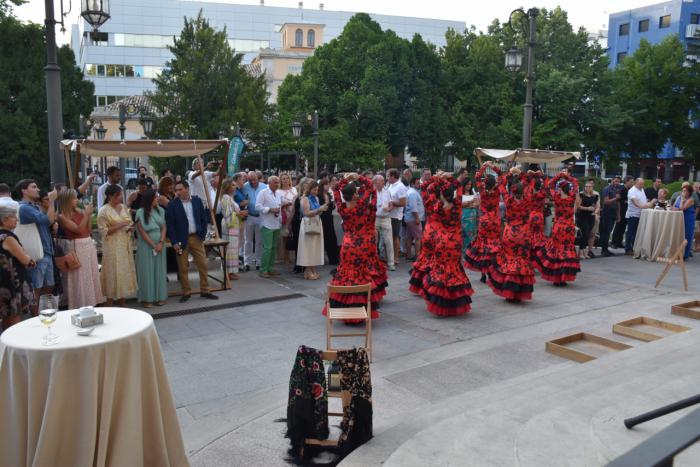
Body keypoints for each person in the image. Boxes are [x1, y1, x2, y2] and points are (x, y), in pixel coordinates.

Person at [324, 174, 387, 319]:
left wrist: (346, 180)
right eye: (356, 192)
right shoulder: (361, 205)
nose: (358, 194)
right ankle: (362, 307)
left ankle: (346, 306)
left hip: (348, 245)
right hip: (363, 245)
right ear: (354, 195)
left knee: (347, 275)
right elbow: (371, 188)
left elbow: (335, 190)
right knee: (362, 276)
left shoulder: (341, 207)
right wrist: (358, 176)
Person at [410, 174, 473, 316]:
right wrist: (448, 178)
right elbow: (459, 185)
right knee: (454, 270)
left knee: (440, 271)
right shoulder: (458, 203)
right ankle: (454, 304)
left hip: (441, 241)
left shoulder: (437, 206)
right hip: (455, 241)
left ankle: (441, 303)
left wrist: (436, 179)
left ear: (441, 195)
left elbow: (427, 188)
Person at [487, 168, 535, 302]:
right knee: (521, 260)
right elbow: (531, 183)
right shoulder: (528, 199)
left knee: (509, 260)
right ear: (523, 190)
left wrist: (509, 173)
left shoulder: (508, 200)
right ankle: (519, 292)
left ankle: (509, 290)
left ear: (512, 191)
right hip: (524, 233)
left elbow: (501, 184)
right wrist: (520, 173)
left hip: (510, 233)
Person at [166, 180, 218, 302]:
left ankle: (205, 290)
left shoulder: (197, 200)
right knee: (183, 267)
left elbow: (203, 219)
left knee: (203, 264)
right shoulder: (172, 205)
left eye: (180, 189)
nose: (177, 192)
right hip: (180, 240)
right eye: (176, 190)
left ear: (187, 189)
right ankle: (186, 292)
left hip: (196, 238)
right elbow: (170, 226)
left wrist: (203, 234)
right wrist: (174, 242)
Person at [56, 189, 104, 309]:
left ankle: (92, 301)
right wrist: (86, 215)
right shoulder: (61, 216)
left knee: (90, 273)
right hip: (76, 244)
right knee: (80, 275)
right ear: (67, 200)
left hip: (87, 243)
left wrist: (87, 215)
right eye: (74, 198)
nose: (77, 200)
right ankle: (80, 302)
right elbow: (77, 230)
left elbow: (88, 229)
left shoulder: (79, 211)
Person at [16, 180, 57, 314]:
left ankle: (44, 314)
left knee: (49, 286)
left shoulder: (34, 206)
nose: (38, 189)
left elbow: (49, 222)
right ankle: (35, 318)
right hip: (38, 253)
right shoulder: (24, 207)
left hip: (46, 250)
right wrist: (51, 201)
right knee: (36, 288)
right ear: (24, 190)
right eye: (34, 187)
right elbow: (48, 220)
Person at [535, 172, 580, 285]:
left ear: (560, 189)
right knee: (566, 250)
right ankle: (564, 277)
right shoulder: (572, 197)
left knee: (557, 250)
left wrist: (560, 175)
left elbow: (550, 184)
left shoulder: (556, 197)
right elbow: (575, 182)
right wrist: (567, 176)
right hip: (569, 227)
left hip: (559, 227)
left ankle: (556, 277)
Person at [97, 185, 137, 306]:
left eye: (121, 195)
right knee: (112, 271)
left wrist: (129, 228)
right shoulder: (103, 210)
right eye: (118, 195)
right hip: (112, 246)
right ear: (110, 196)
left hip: (124, 244)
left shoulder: (123, 207)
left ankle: (122, 300)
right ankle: (109, 301)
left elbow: (128, 222)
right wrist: (121, 224)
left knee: (123, 271)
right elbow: (103, 231)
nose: (121, 197)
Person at [465, 162, 502, 283]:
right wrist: (492, 166)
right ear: (494, 183)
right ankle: (493, 271)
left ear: (485, 183)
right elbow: (502, 176)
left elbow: (476, 177)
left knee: (483, 246)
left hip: (484, 221)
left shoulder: (482, 191)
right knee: (494, 246)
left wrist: (484, 166)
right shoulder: (497, 191)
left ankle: (483, 273)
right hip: (495, 221)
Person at [0, 205, 35, 330]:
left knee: (6, 316)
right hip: (12, 282)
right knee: (14, 319)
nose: (17, 220)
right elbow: (25, 259)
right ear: (4, 220)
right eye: (13, 217)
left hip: (3, 281)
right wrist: (28, 257)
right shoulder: (8, 237)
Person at [134, 190, 167, 307]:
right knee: (146, 271)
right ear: (149, 199)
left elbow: (164, 227)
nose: (157, 199)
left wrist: (161, 243)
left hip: (160, 244)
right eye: (155, 198)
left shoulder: (161, 210)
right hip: (146, 245)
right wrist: (154, 245)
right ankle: (147, 299)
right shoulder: (140, 212)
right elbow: (142, 232)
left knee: (159, 270)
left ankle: (160, 296)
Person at [256, 176, 287, 278]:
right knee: (267, 248)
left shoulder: (278, 194)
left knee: (274, 247)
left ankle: (270, 268)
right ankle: (263, 269)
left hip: (276, 223)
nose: (277, 184)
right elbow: (257, 206)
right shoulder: (263, 192)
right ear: (269, 183)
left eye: (278, 182)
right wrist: (269, 209)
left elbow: (280, 205)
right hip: (267, 224)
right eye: (275, 182)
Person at [297, 180, 327, 280]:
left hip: (316, 222)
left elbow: (317, 212)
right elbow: (306, 213)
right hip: (308, 224)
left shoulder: (316, 198)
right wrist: (319, 209)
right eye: (314, 190)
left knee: (314, 248)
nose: (316, 192)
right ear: (309, 189)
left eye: (317, 190)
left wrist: (321, 210)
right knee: (308, 248)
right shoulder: (304, 199)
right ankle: (308, 271)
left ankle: (313, 270)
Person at [220, 177, 246, 281]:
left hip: (233, 225)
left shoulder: (230, 197)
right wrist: (240, 213)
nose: (235, 187)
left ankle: (232, 271)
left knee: (233, 249)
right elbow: (227, 214)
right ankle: (229, 272)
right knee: (230, 249)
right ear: (227, 187)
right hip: (229, 225)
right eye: (233, 185)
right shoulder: (226, 198)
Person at [241, 172, 267, 271]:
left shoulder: (264, 187)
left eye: (254, 179)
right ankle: (246, 262)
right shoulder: (245, 186)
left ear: (258, 178)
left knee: (259, 241)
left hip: (260, 216)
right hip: (249, 216)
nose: (252, 182)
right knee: (247, 240)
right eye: (250, 180)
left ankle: (258, 261)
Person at [625, 178, 656, 256]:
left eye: (643, 184)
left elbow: (644, 201)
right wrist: (649, 204)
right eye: (640, 184)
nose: (642, 185)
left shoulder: (642, 190)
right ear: (636, 183)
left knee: (637, 233)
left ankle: (636, 248)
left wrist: (649, 203)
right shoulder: (632, 191)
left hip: (641, 214)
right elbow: (638, 204)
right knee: (631, 232)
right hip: (633, 214)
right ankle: (628, 249)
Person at [287, 177, 309, 274]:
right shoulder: (296, 196)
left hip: (306, 221)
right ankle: (298, 265)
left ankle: (305, 265)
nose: (306, 186)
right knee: (297, 244)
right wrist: (289, 223)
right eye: (305, 184)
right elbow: (293, 211)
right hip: (296, 222)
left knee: (305, 244)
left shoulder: (310, 196)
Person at [386, 169, 407, 265]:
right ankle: (390, 257)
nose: (387, 178)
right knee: (388, 237)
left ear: (393, 176)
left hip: (395, 216)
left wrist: (392, 202)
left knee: (395, 237)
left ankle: (396, 258)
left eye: (388, 176)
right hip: (389, 215)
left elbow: (403, 203)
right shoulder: (390, 185)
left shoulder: (400, 186)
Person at [373, 174, 394, 270]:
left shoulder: (387, 191)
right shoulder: (372, 192)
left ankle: (391, 263)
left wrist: (389, 209)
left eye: (382, 182)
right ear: (375, 182)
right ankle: (374, 262)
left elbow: (391, 204)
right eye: (380, 182)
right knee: (374, 241)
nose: (382, 183)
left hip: (386, 218)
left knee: (388, 241)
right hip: (375, 218)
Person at [576, 180, 600, 259]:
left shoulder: (595, 196)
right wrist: (587, 208)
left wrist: (595, 212)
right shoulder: (581, 195)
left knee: (588, 234)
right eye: (586, 186)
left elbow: (597, 207)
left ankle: (584, 251)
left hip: (591, 217)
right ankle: (580, 251)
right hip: (582, 216)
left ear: (592, 188)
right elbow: (578, 206)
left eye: (590, 186)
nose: (588, 188)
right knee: (584, 233)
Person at [671, 184, 695, 259]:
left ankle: (685, 254)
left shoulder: (690, 199)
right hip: (679, 219)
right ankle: (677, 252)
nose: (683, 192)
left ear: (689, 192)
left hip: (688, 219)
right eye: (683, 190)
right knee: (679, 234)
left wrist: (682, 200)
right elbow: (674, 206)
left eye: (685, 191)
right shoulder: (678, 197)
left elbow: (682, 208)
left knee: (687, 235)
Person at [318, 179, 339, 265]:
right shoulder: (319, 195)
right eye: (325, 184)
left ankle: (333, 259)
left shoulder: (329, 195)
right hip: (322, 218)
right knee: (322, 238)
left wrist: (332, 204)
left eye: (328, 184)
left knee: (332, 238)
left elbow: (332, 207)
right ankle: (321, 259)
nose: (327, 186)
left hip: (329, 218)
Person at [599, 177, 621, 257]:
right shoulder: (607, 189)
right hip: (607, 211)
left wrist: (618, 215)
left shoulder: (617, 189)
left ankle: (606, 249)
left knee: (609, 231)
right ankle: (604, 250)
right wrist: (616, 198)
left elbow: (618, 203)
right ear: (612, 181)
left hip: (613, 212)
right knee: (606, 231)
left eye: (618, 181)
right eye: (615, 181)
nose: (617, 182)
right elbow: (606, 202)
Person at [278, 173, 297, 266]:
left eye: (287, 178)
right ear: (280, 180)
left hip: (295, 215)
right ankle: (286, 257)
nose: (285, 180)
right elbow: (277, 204)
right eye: (283, 179)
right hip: (285, 215)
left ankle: (294, 257)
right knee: (285, 236)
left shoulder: (294, 189)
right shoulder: (278, 191)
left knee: (294, 235)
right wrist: (285, 205)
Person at [404, 177, 425, 260]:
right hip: (413, 218)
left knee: (409, 237)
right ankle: (417, 256)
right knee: (418, 237)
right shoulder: (413, 193)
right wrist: (417, 218)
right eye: (417, 183)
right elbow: (413, 207)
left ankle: (409, 255)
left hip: (410, 218)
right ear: (412, 184)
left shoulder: (411, 192)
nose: (419, 185)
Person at [611, 175, 634, 249]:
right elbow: (619, 200)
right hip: (620, 210)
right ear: (626, 181)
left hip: (626, 211)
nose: (632, 183)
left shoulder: (629, 190)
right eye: (631, 182)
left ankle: (619, 242)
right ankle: (614, 242)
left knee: (623, 227)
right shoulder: (621, 189)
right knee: (618, 226)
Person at [460, 177, 479, 256]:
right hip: (463, 217)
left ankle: (470, 254)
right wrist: (470, 203)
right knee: (464, 235)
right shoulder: (459, 193)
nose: (469, 186)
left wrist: (467, 204)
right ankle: (464, 253)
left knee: (472, 235)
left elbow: (477, 203)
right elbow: (459, 204)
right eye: (467, 184)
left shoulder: (473, 192)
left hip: (472, 218)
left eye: (470, 184)